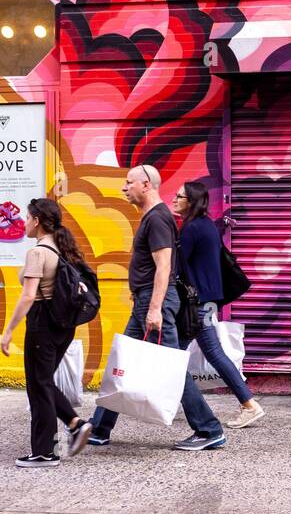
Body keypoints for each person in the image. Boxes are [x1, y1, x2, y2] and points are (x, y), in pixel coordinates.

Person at [87, 164, 226, 451]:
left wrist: (154, 307)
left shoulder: (158, 218)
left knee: (171, 369)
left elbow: (164, 267)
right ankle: (99, 428)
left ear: (146, 184)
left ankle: (209, 429)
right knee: (122, 362)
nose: (124, 188)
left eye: (129, 183)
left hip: (155, 304)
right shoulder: (153, 217)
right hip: (146, 301)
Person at [0, 198, 95, 467]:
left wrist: (8, 332)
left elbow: (28, 296)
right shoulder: (63, 249)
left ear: (37, 221)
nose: (24, 223)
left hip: (41, 322)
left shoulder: (38, 253)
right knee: (43, 382)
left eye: (28, 218)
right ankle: (75, 423)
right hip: (62, 326)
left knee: (38, 386)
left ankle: (44, 452)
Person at [174, 180, 264, 428]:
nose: (174, 199)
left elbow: (179, 267)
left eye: (179, 196)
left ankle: (248, 405)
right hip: (207, 301)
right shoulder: (207, 226)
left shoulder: (191, 229)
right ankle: (248, 404)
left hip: (197, 304)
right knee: (210, 353)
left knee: (174, 355)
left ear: (190, 201)